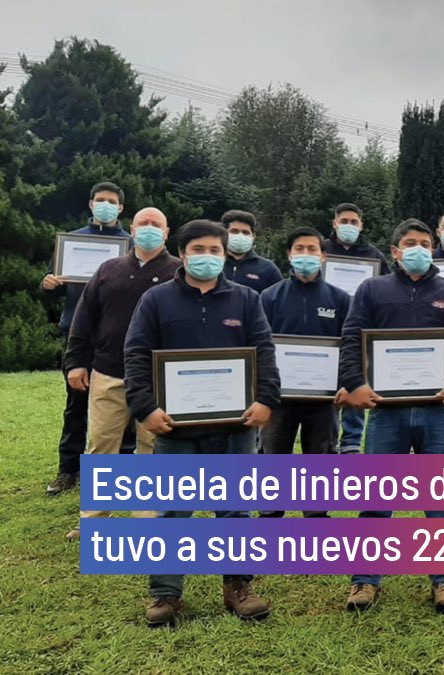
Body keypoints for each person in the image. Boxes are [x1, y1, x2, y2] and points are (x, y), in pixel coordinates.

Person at [124, 219, 280, 628]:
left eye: (215, 250)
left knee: (235, 510)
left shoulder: (246, 299)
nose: (207, 257)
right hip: (174, 427)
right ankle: (166, 593)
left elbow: (264, 350)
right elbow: (137, 355)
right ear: (183, 253)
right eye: (199, 250)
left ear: (225, 255)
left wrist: (266, 399)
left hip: (236, 427)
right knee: (174, 511)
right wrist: (145, 409)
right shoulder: (156, 300)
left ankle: (238, 587)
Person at [338, 219, 444, 614]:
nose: (417, 248)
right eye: (409, 243)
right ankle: (364, 580)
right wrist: (355, 383)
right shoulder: (371, 289)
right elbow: (352, 336)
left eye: (424, 243)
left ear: (433, 249)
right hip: (386, 412)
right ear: (395, 251)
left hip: (438, 411)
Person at [63, 207, 180, 540]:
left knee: (151, 447)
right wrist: (76, 362)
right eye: (143, 223)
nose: (148, 229)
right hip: (108, 372)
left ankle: (146, 520)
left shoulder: (178, 273)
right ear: (132, 229)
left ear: (167, 232)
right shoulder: (108, 270)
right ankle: (95, 520)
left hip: (156, 378)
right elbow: (83, 320)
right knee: (101, 445)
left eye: (156, 224)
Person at [42, 181, 134, 495]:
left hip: (119, 337)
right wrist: (49, 285)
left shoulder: (132, 245)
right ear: (91, 204)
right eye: (100, 200)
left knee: (127, 405)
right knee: (76, 404)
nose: (105, 205)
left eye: (111, 201)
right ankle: (68, 470)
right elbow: (54, 296)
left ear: (121, 208)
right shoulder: (72, 241)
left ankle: (120, 472)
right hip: (78, 336)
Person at [258, 226, 351, 518]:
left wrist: (345, 384)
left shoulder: (339, 299)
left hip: (323, 401)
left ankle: (316, 522)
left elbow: (349, 346)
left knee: (320, 464)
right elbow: (259, 347)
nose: (306, 255)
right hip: (278, 400)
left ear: (323, 256)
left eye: (312, 249)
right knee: (272, 462)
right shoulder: (269, 297)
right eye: (300, 249)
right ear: (289, 254)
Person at [323, 203, 390, 454]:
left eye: (354, 222)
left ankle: (351, 441)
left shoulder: (373, 255)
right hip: (326, 328)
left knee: (356, 377)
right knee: (327, 383)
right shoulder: (322, 251)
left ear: (361, 225)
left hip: (361, 331)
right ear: (334, 223)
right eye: (344, 221)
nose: (349, 226)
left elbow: (386, 287)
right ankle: (328, 435)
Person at [221, 210, 282, 293]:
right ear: (223, 233)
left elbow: (278, 299)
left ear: (253, 236)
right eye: (234, 231)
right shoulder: (213, 264)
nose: (240, 236)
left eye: (245, 233)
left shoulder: (268, 268)